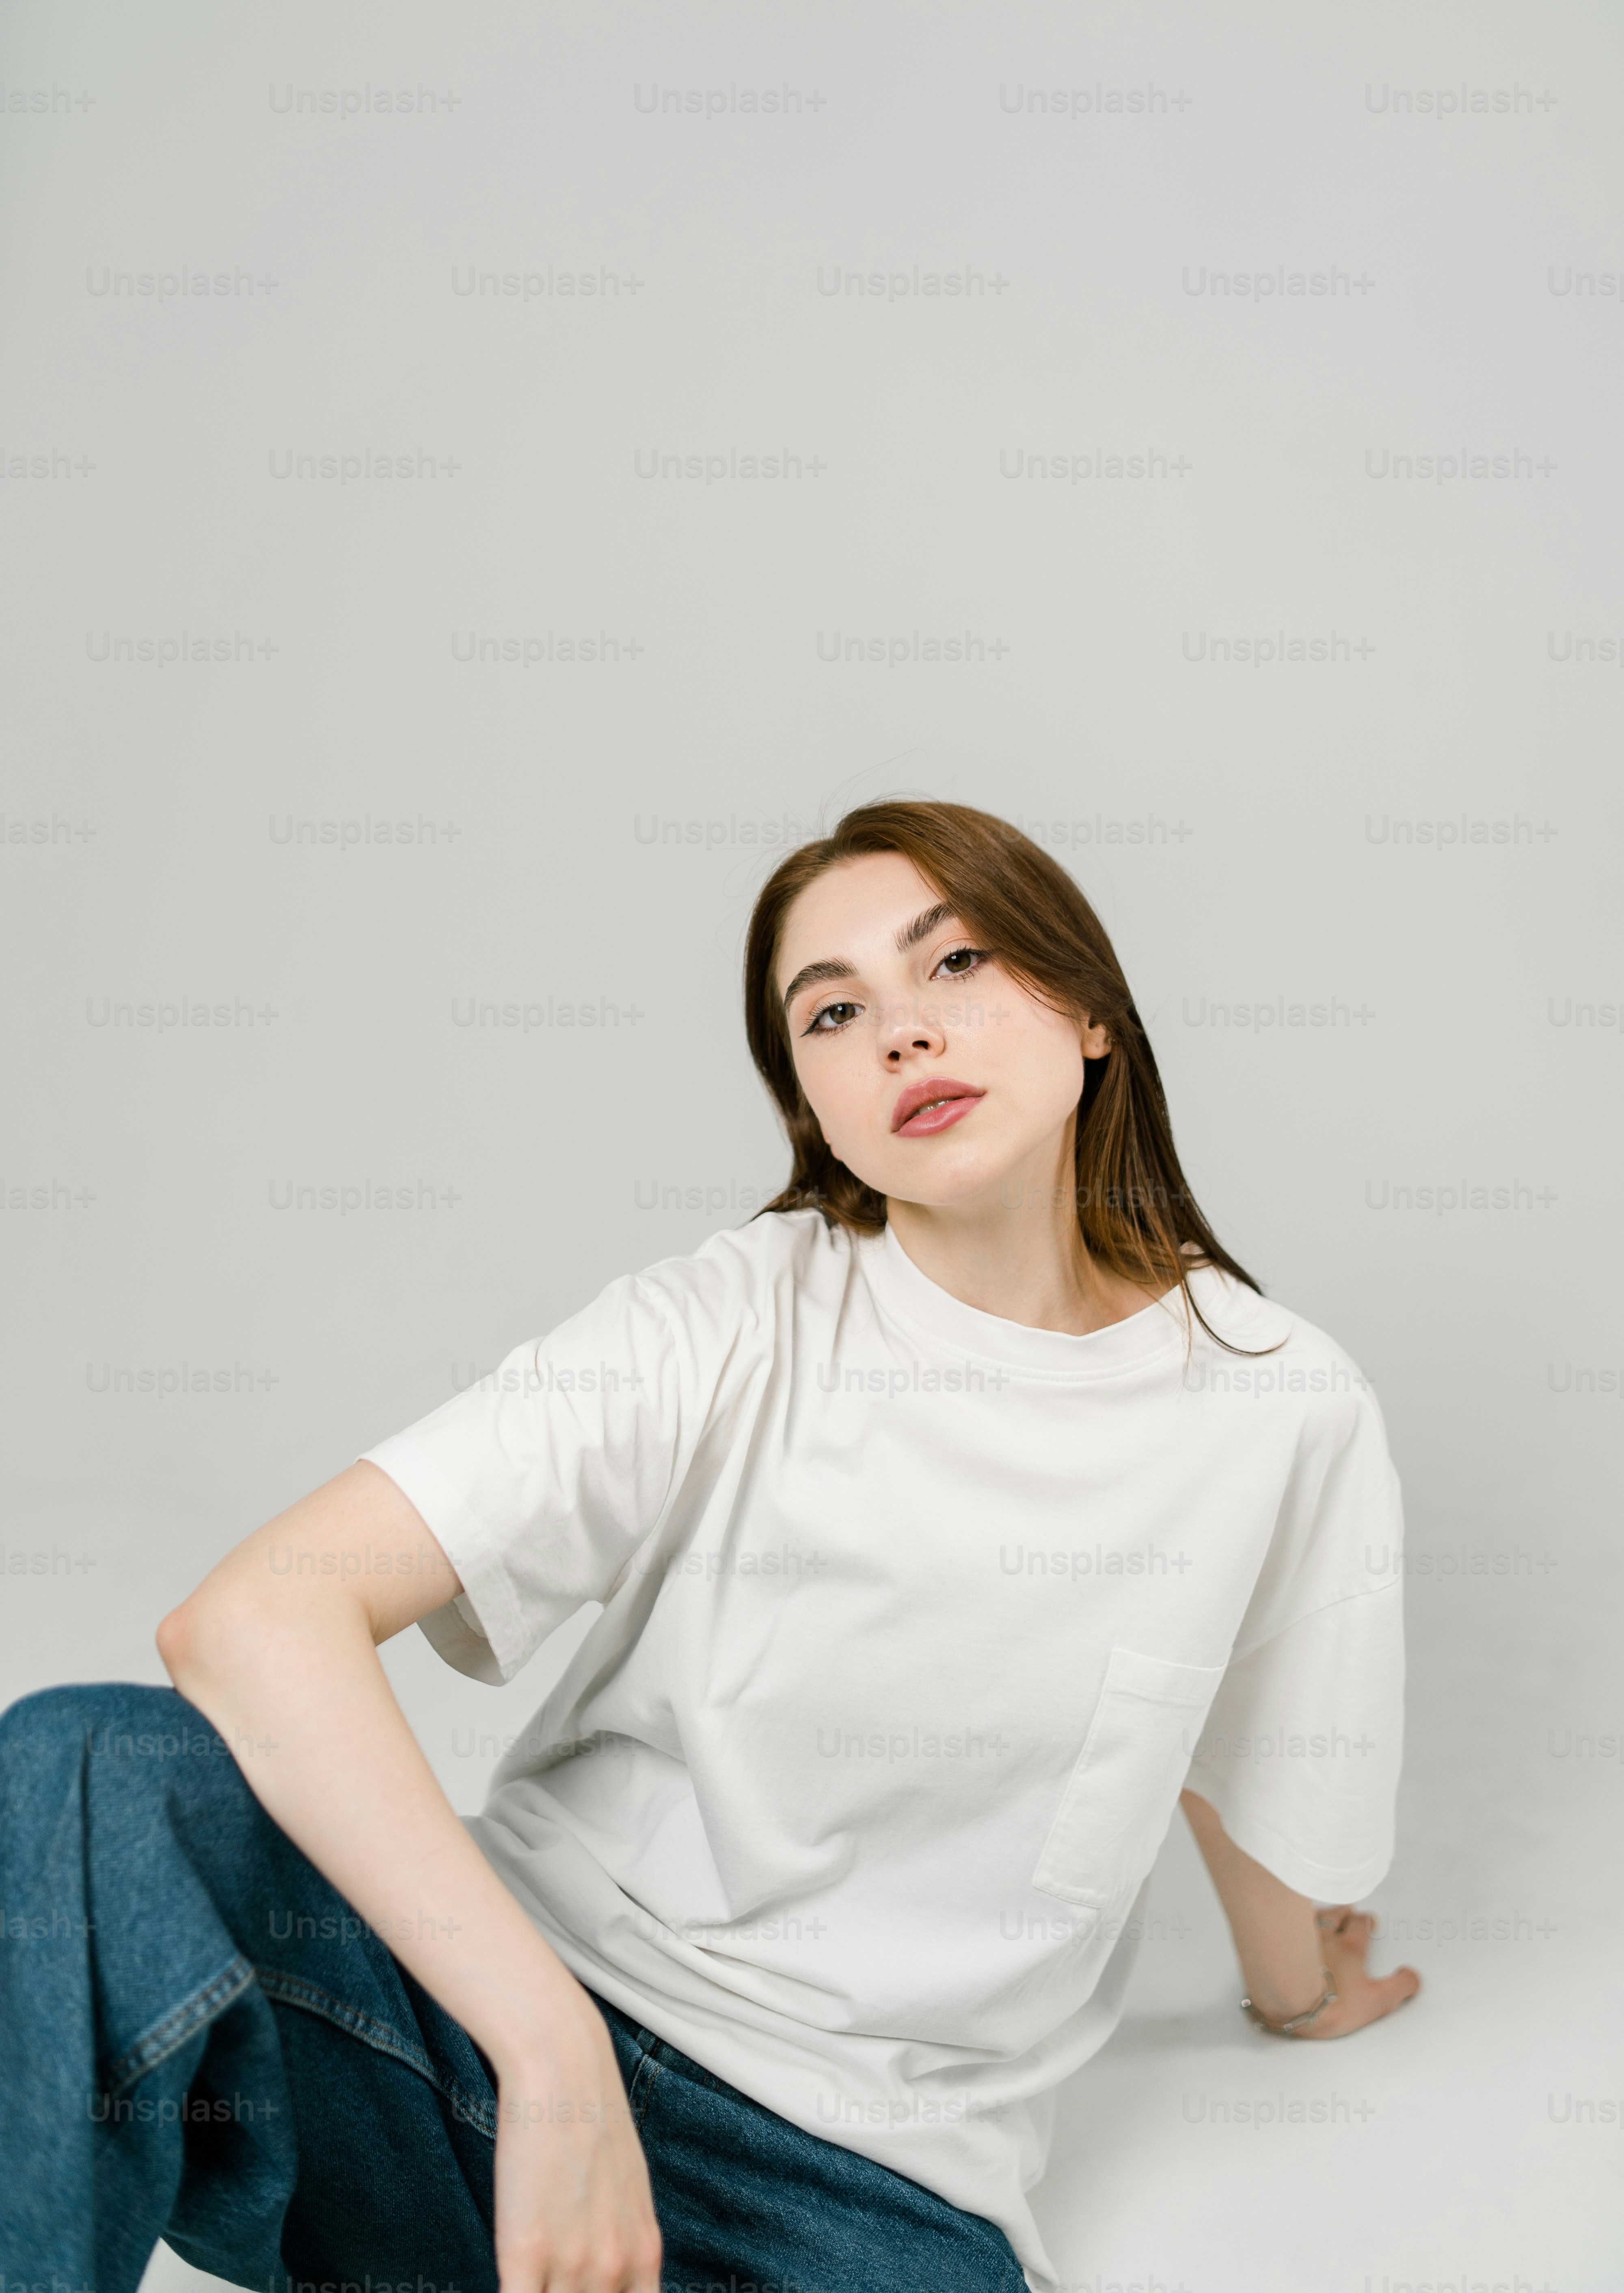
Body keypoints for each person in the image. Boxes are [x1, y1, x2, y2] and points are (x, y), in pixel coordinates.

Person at [0, 801, 1419, 2293]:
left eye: (958, 966)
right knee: (85, 1772)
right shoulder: (732, 1319)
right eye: (834, 1011)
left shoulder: (1281, 1404)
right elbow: (253, 1623)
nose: (901, 1035)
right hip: (470, 2034)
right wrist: (550, 2059)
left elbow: (1218, 1721)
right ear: (811, 1102)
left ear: (1091, 1014)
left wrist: (1303, 1988)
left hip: (860, 2201)